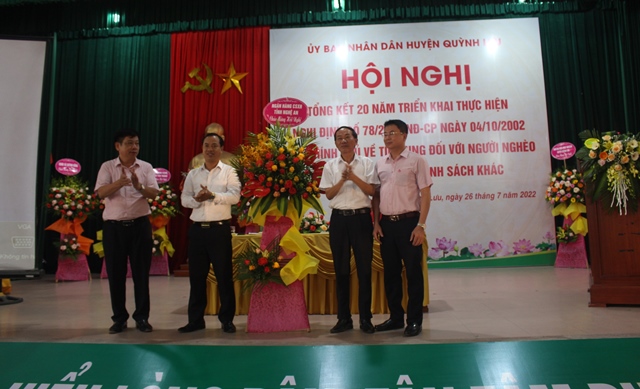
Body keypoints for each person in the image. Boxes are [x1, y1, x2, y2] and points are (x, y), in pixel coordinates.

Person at [95, 129, 159, 334]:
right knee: (116, 275)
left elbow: (154, 194)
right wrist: (120, 183)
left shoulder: (146, 167)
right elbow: (100, 193)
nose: (134, 148)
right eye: (130, 143)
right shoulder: (107, 167)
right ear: (118, 146)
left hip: (140, 226)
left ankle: (142, 318)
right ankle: (119, 318)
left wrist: (138, 186)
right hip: (114, 229)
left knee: (141, 275)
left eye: (137, 143)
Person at [372, 119, 432, 337]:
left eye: (392, 133)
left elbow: (425, 194)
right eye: (385, 133)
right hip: (387, 224)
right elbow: (376, 195)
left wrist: (420, 226)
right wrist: (376, 222)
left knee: (413, 273)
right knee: (391, 274)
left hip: (409, 223)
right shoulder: (380, 163)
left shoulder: (417, 160)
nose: (387, 137)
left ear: (404, 135)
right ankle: (396, 318)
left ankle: (414, 320)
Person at [179, 132, 241, 333]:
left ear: (221, 149)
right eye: (206, 145)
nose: (210, 149)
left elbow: (234, 197)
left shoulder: (229, 171)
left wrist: (212, 195)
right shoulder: (193, 174)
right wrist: (197, 199)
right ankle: (195, 320)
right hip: (197, 231)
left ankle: (227, 320)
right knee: (196, 278)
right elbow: (184, 199)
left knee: (224, 277)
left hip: (219, 230)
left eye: (214, 146)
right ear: (202, 148)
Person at [319, 126, 379, 334]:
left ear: (356, 140)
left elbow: (372, 191)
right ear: (335, 143)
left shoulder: (367, 164)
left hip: (361, 219)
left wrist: (354, 177)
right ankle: (344, 318)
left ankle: (365, 319)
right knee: (341, 270)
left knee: (364, 270)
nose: (343, 141)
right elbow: (328, 195)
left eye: (347, 137)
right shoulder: (330, 166)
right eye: (339, 138)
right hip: (339, 221)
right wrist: (343, 179)